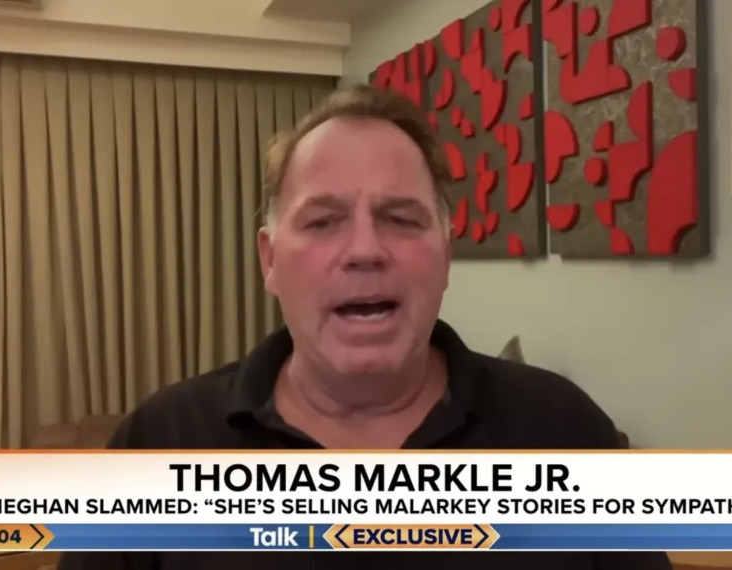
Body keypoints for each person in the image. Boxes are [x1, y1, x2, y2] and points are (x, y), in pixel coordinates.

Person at [57, 84, 673, 570]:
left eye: (401, 219)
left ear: (446, 254)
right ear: (270, 260)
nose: (365, 251)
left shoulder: (564, 431)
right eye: (323, 221)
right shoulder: (157, 443)